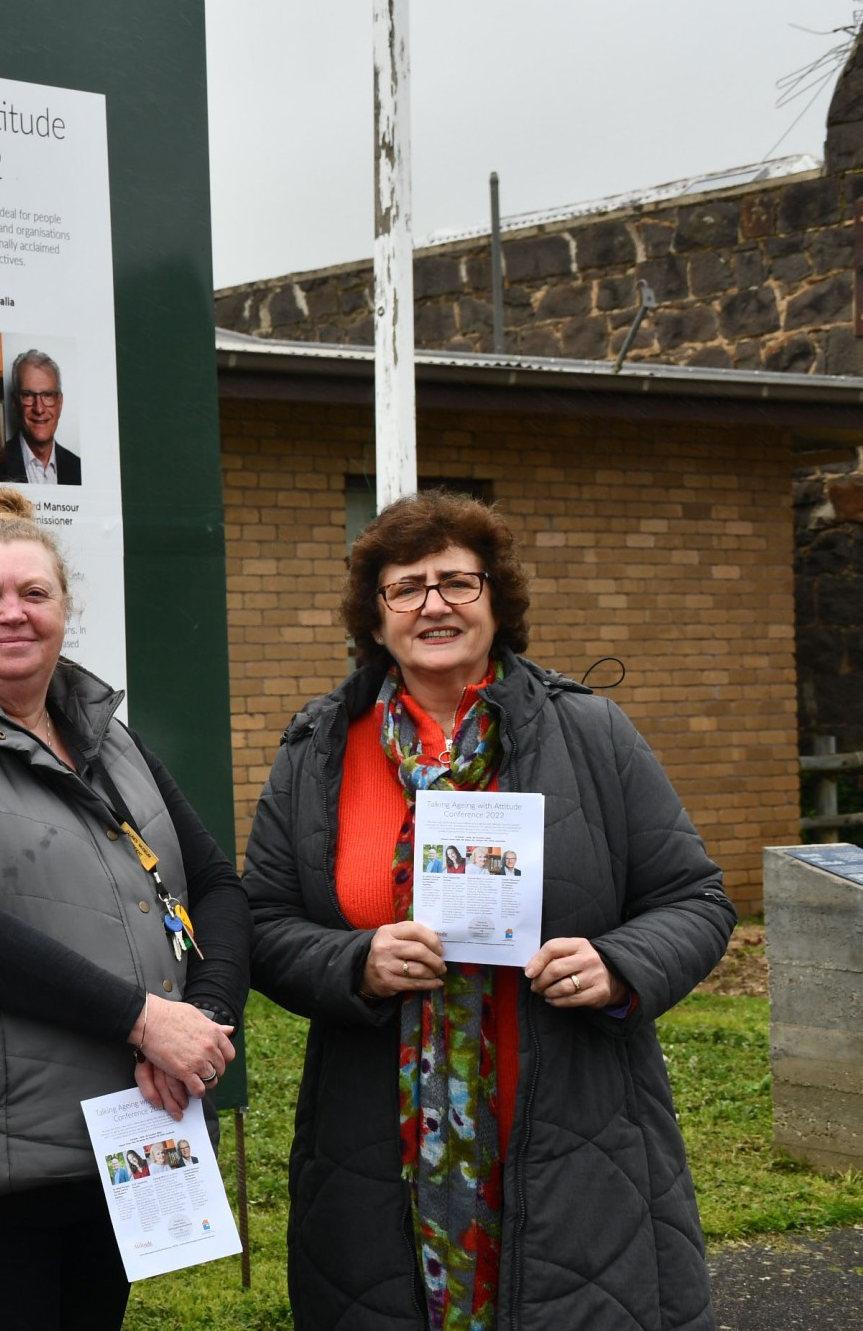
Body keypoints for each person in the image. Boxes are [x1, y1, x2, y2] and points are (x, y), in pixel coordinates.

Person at [243, 489, 735, 1331]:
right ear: (377, 614)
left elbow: (694, 896)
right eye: (406, 587)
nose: (433, 604)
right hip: (376, 1143)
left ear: (495, 599)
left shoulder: (592, 732)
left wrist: (618, 965)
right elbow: (262, 919)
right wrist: (352, 963)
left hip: (570, 1130)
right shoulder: (320, 745)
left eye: (457, 582)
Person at [0, 488, 250, 1330]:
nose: (12, 614)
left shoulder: (107, 735)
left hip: (119, 1135)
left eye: (35, 593)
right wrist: (143, 1019)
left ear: (66, 605)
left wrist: (198, 1025)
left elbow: (213, 883)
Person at [0, 350, 80, 486]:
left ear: (60, 404)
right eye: (28, 395)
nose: (39, 409)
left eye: (48, 395)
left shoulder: (78, 468)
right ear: (15, 402)